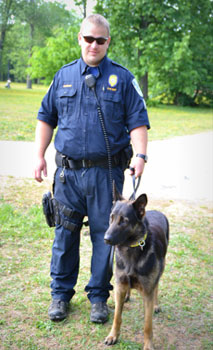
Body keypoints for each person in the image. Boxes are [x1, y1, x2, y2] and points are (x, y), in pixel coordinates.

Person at [34, 14, 150, 324]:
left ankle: (99, 297)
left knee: (105, 236)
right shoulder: (64, 76)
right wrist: (39, 155)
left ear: (107, 42)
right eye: (88, 39)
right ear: (80, 39)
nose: (94, 45)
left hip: (106, 175)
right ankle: (60, 295)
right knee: (64, 235)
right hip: (68, 175)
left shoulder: (123, 79)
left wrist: (140, 155)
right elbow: (46, 117)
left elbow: (138, 120)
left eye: (100, 40)